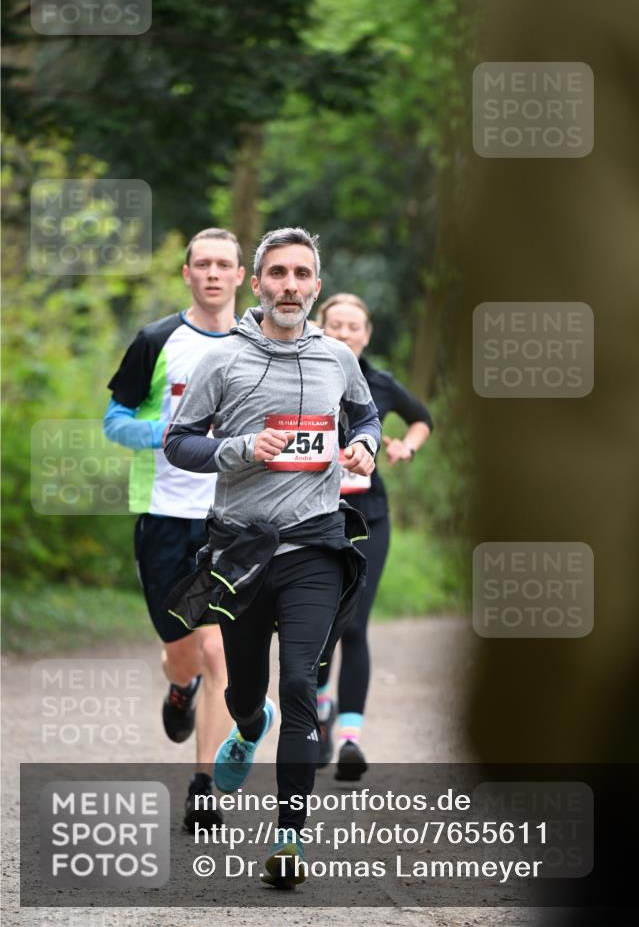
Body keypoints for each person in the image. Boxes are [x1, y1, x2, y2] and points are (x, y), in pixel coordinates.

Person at [163, 226, 381, 887]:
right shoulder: (222, 361)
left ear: (314, 284)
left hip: (315, 545)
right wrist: (239, 449)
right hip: (241, 551)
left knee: (299, 687)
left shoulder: (335, 358)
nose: (289, 286)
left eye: (301, 274)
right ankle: (246, 726)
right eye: (277, 274)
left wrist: (365, 445)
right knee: (250, 693)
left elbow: (365, 416)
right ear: (256, 284)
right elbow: (179, 443)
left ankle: (288, 839)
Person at [103, 227, 244, 832]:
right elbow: (114, 420)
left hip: (235, 522)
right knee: (182, 652)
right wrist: (164, 432)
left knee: (219, 649)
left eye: (224, 265)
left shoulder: (263, 345)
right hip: (164, 517)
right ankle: (179, 687)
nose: (213, 273)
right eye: (202, 264)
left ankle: (204, 785)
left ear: (243, 276)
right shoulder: (157, 339)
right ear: (187, 274)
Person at [315, 293, 433, 779]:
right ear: (320, 327)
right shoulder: (299, 374)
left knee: (356, 625)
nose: (344, 333)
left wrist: (407, 444)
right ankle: (319, 710)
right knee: (320, 627)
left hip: (370, 517)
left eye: (353, 327)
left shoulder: (380, 384)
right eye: (335, 324)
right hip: (313, 516)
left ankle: (349, 741)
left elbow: (423, 417)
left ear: (366, 336)